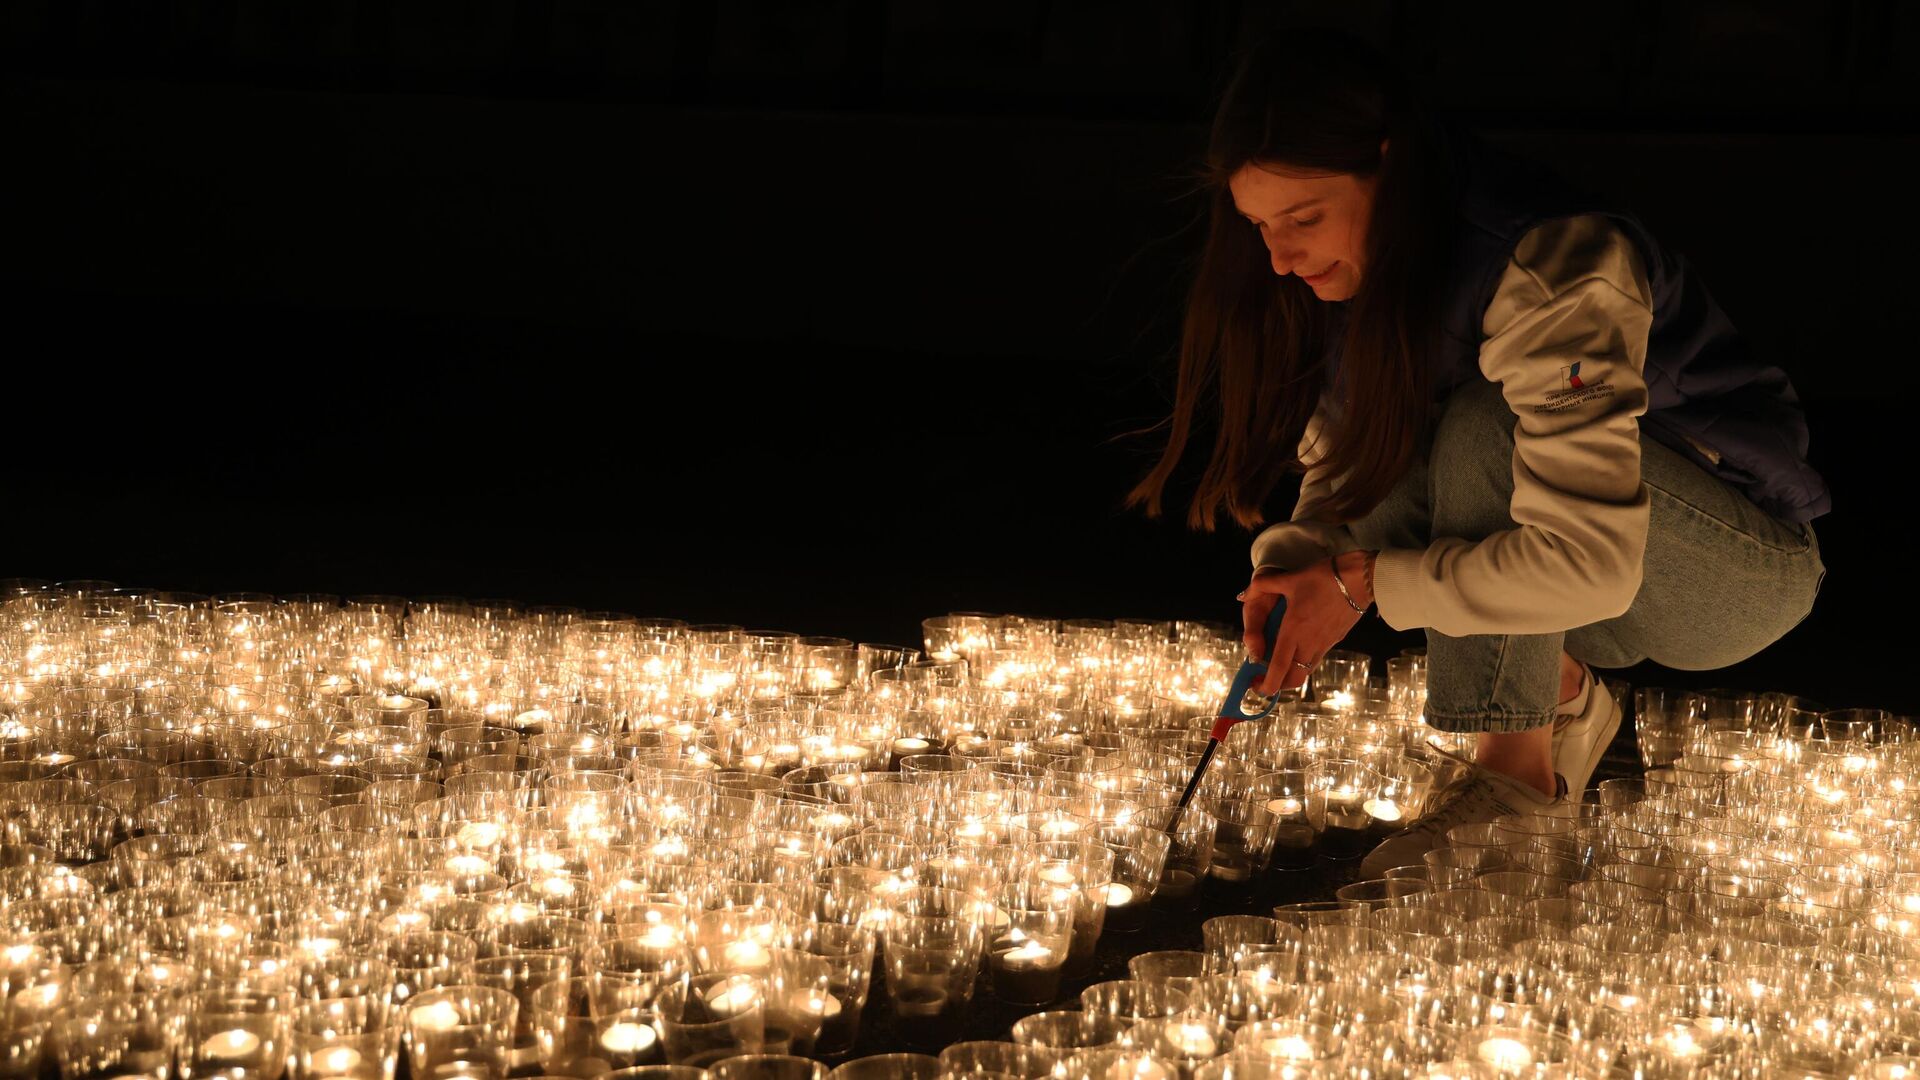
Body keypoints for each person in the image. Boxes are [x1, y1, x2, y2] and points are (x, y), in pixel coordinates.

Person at [1126, 28, 1828, 874]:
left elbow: (1592, 565)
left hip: (1727, 574)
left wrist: (1358, 582)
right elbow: (1351, 471)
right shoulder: (1332, 283)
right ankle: (1561, 692)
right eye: (1259, 227)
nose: (1279, 256)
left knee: (1484, 428)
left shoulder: (1551, 263)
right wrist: (1305, 565)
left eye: (1304, 218)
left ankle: (1513, 781)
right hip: (1586, 596)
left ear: (1390, 167)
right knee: (1402, 462)